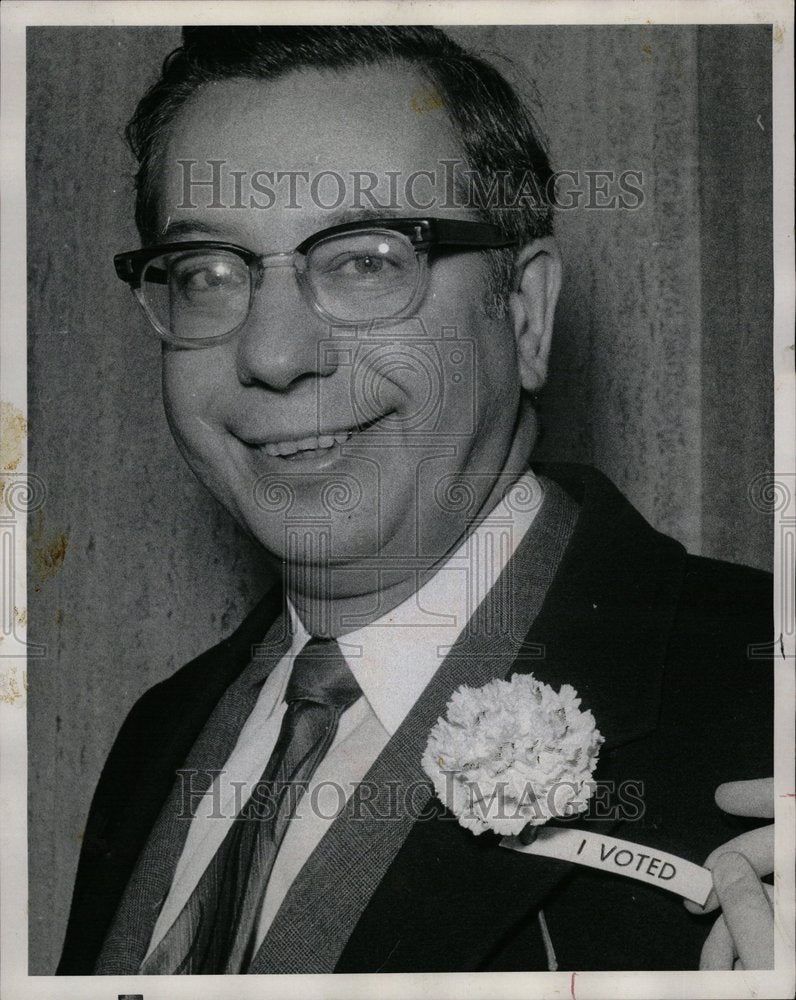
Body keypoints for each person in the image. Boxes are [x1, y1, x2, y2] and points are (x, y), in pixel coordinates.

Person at [57, 26, 774, 975]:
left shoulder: (765, 700)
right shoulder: (162, 735)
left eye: (366, 261)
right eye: (209, 275)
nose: (273, 356)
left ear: (524, 314)